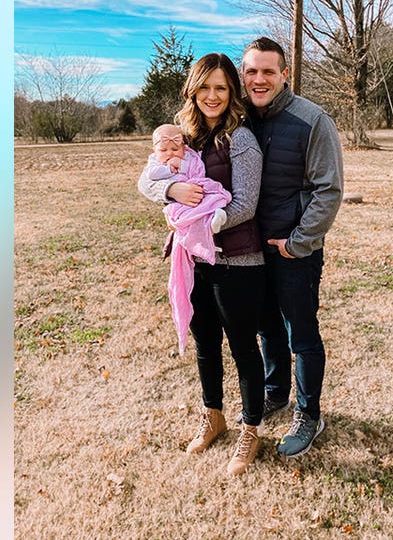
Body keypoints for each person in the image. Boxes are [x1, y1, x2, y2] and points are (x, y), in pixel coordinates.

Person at [137, 52, 266, 476]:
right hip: (192, 261)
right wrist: (173, 191)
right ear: (193, 90)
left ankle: (251, 429)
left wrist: (204, 223)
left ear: (232, 93)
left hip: (237, 259)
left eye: (222, 88)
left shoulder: (241, 139)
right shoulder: (182, 138)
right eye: (205, 87)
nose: (213, 96)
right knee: (206, 343)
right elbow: (146, 181)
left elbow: (246, 204)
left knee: (243, 346)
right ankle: (213, 416)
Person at [241, 36, 344, 458]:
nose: (259, 79)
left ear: (285, 75)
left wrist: (299, 243)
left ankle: (309, 413)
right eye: (252, 71)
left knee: (300, 334)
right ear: (242, 74)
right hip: (251, 249)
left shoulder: (312, 119)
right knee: (266, 328)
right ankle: (275, 392)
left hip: (293, 252)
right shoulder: (239, 118)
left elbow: (329, 190)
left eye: (269, 71)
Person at [141, 123, 232, 353]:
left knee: (214, 194)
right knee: (176, 213)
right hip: (180, 205)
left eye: (175, 148)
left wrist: (183, 165)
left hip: (199, 191)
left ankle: (213, 219)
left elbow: (198, 169)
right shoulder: (156, 164)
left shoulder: (190, 154)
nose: (170, 154)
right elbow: (146, 180)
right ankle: (200, 229)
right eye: (164, 150)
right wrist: (171, 184)